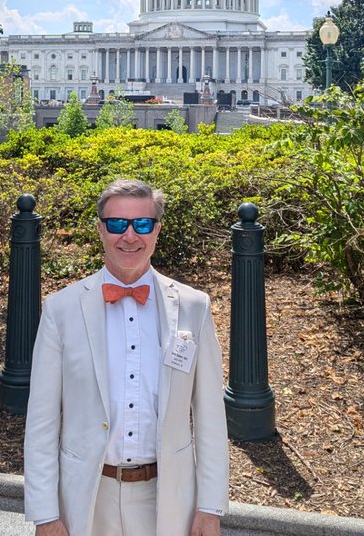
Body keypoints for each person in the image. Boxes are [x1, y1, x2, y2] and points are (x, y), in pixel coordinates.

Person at [24, 179, 229, 536]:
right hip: (86, 498)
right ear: (101, 229)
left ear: (157, 230)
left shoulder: (194, 307)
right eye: (118, 224)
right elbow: (42, 423)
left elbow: (211, 416)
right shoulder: (61, 310)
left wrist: (210, 508)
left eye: (142, 224)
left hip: (168, 498)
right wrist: (45, 514)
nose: (130, 236)